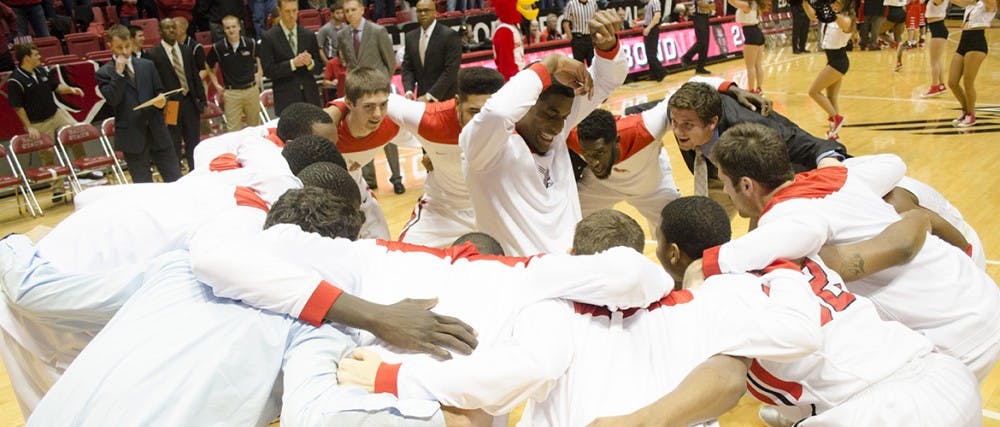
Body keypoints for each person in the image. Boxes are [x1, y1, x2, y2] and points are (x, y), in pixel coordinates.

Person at [586, 196, 981, 427]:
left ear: (671, 253)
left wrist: (634, 422)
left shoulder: (717, 293)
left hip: (889, 410)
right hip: (943, 372)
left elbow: (726, 379)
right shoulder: (779, 251)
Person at [703, 122, 1000, 381]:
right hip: (979, 294)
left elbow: (733, 258)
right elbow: (893, 163)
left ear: (746, 184)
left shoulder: (788, 217)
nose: (725, 192)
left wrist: (699, 266)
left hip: (957, 335)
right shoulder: (839, 177)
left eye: (725, 183)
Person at [461, 11, 628, 256]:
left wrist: (607, 46)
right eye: (550, 115)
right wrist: (551, 63)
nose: (559, 126)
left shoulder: (554, 130)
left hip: (574, 273)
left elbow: (604, 82)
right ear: (525, 105)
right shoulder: (483, 148)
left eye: (563, 117)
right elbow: (498, 112)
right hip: (525, 283)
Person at [566, 78, 757, 234]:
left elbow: (691, 83)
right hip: (600, 185)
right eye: (589, 154)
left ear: (616, 141)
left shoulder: (646, 128)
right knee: (567, 225)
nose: (595, 160)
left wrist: (730, 88)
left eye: (599, 153)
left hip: (653, 187)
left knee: (678, 234)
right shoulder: (572, 136)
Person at [666, 81, 846, 218]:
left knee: (767, 230)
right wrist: (730, 87)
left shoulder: (752, 128)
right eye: (675, 123)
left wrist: (830, 171)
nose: (678, 131)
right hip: (717, 174)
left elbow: (811, 144)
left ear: (712, 122)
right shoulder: (679, 112)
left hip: (770, 180)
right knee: (703, 229)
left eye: (688, 125)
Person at [390, 67, 506, 248]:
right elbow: (381, 98)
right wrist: (337, 110)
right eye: (474, 112)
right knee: (401, 261)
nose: (481, 123)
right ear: (457, 103)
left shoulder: (515, 120)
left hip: (496, 212)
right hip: (442, 211)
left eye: (489, 113)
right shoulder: (430, 120)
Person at [325, 67, 411, 239]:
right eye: (369, 106)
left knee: (383, 243)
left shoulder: (392, 123)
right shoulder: (326, 130)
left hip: (356, 187)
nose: (377, 114)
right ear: (349, 103)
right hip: (324, 197)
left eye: (383, 105)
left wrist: (429, 154)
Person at [96, 24, 182, 183]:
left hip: (157, 131)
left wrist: (162, 100)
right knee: (143, 185)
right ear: (110, 46)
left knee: (175, 178)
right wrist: (118, 74)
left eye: (127, 46)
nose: (124, 51)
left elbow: (160, 91)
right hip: (132, 135)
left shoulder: (146, 65)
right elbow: (113, 99)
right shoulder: (104, 73)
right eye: (119, 47)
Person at [337, 0, 403, 194]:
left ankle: (397, 178)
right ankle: (371, 179)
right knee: (360, 133)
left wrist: (380, 87)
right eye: (346, 11)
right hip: (358, 93)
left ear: (362, 10)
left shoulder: (377, 31)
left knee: (388, 135)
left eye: (353, 10)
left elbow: (390, 62)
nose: (350, 14)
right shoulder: (342, 35)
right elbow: (349, 63)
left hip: (378, 92)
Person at [7, 43, 88, 200]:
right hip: (38, 122)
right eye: (36, 55)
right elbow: (18, 107)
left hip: (55, 113)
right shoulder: (15, 81)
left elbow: (56, 87)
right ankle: (57, 188)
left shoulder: (41, 70)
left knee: (76, 133)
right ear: (26, 58)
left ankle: (84, 171)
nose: (40, 57)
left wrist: (71, 89)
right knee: (48, 155)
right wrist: (29, 127)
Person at [144, 17, 207, 170]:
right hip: (171, 105)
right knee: (174, 142)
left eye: (173, 27)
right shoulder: (153, 54)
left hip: (190, 102)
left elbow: (194, 76)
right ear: (160, 31)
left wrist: (202, 99)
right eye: (167, 28)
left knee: (194, 142)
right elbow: (153, 83)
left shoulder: (186, 50)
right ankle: (176, 176)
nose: (172, 30)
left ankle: (197, 172)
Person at [260, 0, 322, 114]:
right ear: (279, 11)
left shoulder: (309, 35)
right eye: (287, 11)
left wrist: (310, 63)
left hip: (311, 97)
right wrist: (292, 63)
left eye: (294, 11)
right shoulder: (269, 38)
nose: (292, 15)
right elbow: (268, 71)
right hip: (286, 99)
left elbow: (319, 68)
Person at [804, 0, 854, 140]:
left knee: (813, 91)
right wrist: (804, 3)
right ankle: (833, 133)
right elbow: (813, 16)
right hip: (832, 60)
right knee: (831, 97)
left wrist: (828, 10)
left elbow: (841, 22)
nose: (834, 4)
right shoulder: (830, 16)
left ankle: (836, 118)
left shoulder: (847, 19)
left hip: (839, 62)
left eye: (838, 2)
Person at [207, 15, 263, 132]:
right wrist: (216, 84)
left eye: (233, 27)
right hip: (231, 93)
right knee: (233, 131)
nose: (231, 30)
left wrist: (259, 73)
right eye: (228, 28)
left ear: (239, 27)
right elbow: (208, 65)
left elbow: (261, 56)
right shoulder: (218, 47)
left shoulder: (250, 43)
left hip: (251, 90)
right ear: (224, 29)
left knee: (256, 128)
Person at [401, 0, 462, 102]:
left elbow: (451, 70)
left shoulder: (449, 35)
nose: (423, 14)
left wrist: (430, 95)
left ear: (435, 13)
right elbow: (408, 67)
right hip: (422, 99)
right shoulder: (410, 37)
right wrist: (409, 91)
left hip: (446, 98)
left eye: (426, 10)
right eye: (419, 11)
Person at [946, 0, 994, 128]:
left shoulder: (991, 3)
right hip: (964, 40)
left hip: (977, 41)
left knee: (968, 82)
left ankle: (971, 115)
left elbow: (991, 6)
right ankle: (965, 111)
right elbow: (961, 2)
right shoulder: (973, 2)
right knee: (952, 82)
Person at [730, 0, 767, 92]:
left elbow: (733, 2)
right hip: (758, 32)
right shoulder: (756, 3)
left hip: (751, 34)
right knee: (758, 65)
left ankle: (751, 89)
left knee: (750, 67)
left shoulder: (747, 5)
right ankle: (759, 88)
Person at [920, 0, 948, 97]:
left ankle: (934, 86)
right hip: (936, 28)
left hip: (938, 28)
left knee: (934, 61)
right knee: (937, 60)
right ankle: (941, 85)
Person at [680, 0, 714, 74]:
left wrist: (708, 6)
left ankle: (700, 67)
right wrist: (709, 6)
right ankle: (686, 57)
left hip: (705, 16)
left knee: (705, 43)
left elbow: (713, 5)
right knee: (702, 41)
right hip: (698, 16)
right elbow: (700, 3)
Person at [562, 0, 598, 65]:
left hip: (590, 38)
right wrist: (572, 40)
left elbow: (596, 19)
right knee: (579, 67)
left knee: (593, 64)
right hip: (577, 38)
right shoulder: (571, 4)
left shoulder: (593, 3)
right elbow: (565, 24)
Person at [639, 0, 666, 81]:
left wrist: (648, 28)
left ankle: (662, 71)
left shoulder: (654, 1)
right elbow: (648, 20)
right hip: (650, 28)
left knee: (651, 53)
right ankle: (654, 74)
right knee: (649, 53)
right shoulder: (648, 4)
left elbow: (657, 17)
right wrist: (638, 23)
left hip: (652, 29)